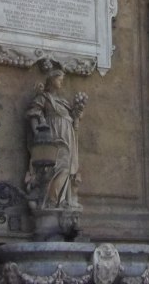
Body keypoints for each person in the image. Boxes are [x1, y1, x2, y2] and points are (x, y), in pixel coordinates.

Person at [26, 69, 86, 208]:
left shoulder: (63, 101)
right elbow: (33, 114)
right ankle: (51, 199)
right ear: (52, 80)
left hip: (67, 136)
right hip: (52, 136)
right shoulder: (43, 98)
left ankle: (61, 199)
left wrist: (78, 112)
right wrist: (38, 136)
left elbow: (73, 117)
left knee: (66, 166)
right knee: (55, 167)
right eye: (59, 79)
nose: (61, 82)